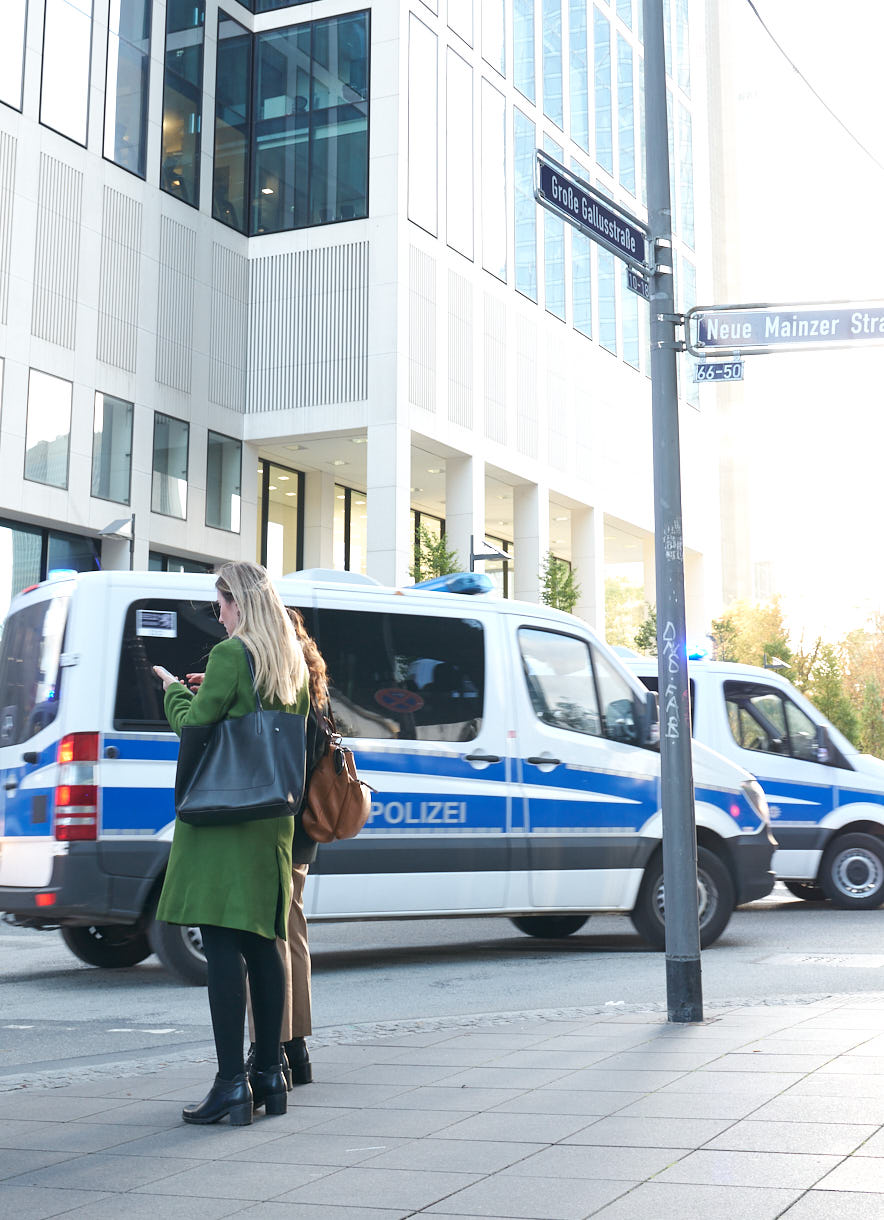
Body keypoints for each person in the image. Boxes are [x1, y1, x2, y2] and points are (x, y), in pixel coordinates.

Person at [152, 561, 309, 1126]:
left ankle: (230, 1085)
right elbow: (250, 714)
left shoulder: (228, 655)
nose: (217, 614)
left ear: (237, 602)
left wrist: (173, 691)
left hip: (224, 817)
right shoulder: (288, 660)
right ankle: (269, 1073)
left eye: (219, 603)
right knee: (264, 943)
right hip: (271, 820)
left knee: (220, 945)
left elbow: (195, 725)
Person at [245, 608, 328, 1086]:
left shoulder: (278, 679)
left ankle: (272, 1049)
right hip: (303, 825)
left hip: (279, 821)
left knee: (271, 937)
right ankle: (296, 1048)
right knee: (292, 930)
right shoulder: (308, 676)